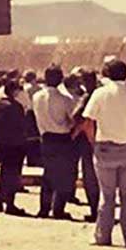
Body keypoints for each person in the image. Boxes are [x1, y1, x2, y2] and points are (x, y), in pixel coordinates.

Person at [82, 60, 126, 250]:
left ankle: (103, 236)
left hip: (106, 148)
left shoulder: (100, 93)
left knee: (107, 195)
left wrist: (93, 142)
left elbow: (87, 122)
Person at [32, 64, 77, 220]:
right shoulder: (65, 99)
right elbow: (72, 120)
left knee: (48, 174)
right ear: (60, 79)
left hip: (46, 138)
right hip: (62, 138)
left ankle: (44, 208)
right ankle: (58, 209)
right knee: (64, 175)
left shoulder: (36, 96)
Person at [0, 79, 28, 215]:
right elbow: (21, 126)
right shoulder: (16, 107)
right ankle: (10, 203)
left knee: (4, 171)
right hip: (14, 144)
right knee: (12, 173)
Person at [70, 69, 101, 222]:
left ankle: (95, 211)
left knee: (90, 176)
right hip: (103, 137)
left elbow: (77, 115)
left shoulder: (88, 97)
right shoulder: (101, 94)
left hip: (88, 141)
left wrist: (74, 131)